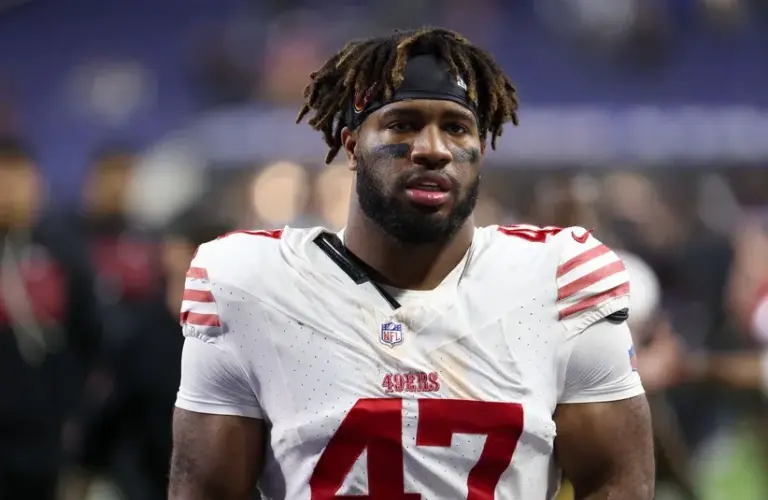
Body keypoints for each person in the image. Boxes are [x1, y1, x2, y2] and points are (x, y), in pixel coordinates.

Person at [168, 27, 654, 499]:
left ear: (480, 149)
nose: (433, 150)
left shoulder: (561, 279)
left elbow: (618, 482)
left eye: (456, 127)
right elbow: (205, 490)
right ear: (353, 144)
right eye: (403, 123)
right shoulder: (249, 284)